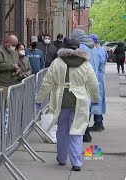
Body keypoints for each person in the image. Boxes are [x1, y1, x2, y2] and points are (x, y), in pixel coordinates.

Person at [36, 38, 100, 172]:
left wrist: (39, 99)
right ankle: (77, 162)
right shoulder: (85, 63)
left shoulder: (57, 62)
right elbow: (93, 83)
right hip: (80, 101)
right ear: (78, 48)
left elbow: (47, 82)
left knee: (62, 130)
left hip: (62, 100)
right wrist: (95, 98)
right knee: (77, 131)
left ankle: (62, 157)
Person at [71, 29, 98, 142]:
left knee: (81, 109)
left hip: (82, 82)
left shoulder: (81, 47)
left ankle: (84, 133)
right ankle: (85, 132)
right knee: (87, 108)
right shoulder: (93, 47)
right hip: (92, 79)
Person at [89, 34, 108, 132]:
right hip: (100, 77)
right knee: (98, 100)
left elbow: (97, 64)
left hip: (97, 77)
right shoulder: (102, 49)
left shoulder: (96, 51)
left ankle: (98, 122)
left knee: (96, 100)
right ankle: (99, 122)